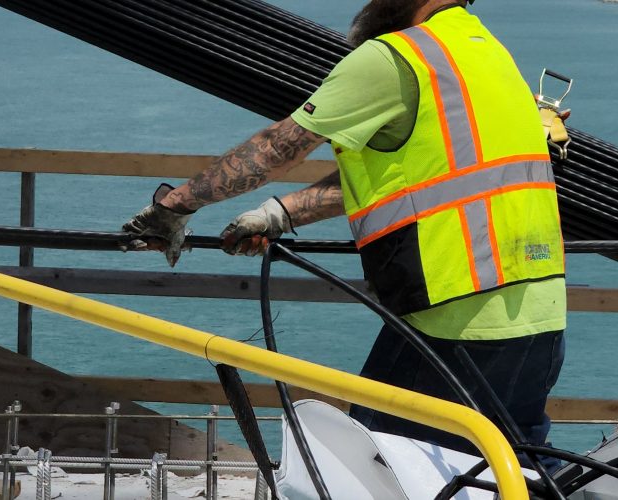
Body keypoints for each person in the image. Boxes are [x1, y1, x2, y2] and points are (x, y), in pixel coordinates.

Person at [123, 0, 567, 473]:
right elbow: (418, 176)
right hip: (538, 311)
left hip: (460, 316)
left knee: (382, 464)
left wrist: (174, 206)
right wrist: (280, 213)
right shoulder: (486, 52)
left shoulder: (396, 57)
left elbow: (278, 147)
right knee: (514, 473)